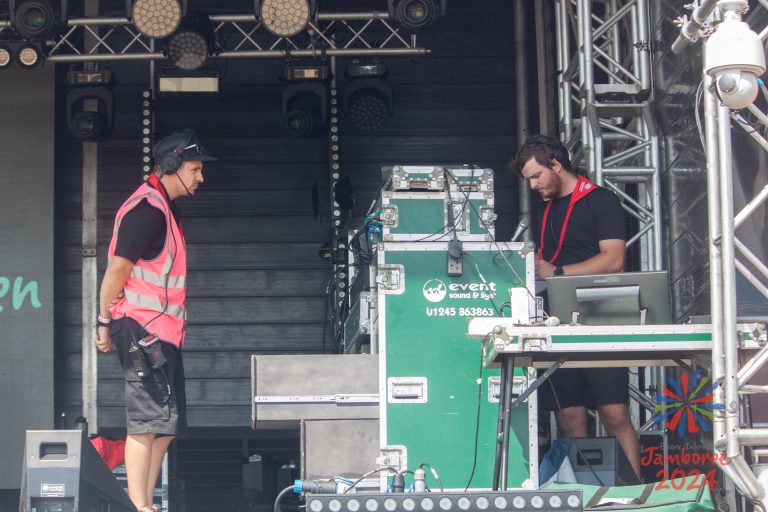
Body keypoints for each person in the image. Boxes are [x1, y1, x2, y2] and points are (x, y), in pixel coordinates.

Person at [94, 128, 216, 511]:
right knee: (146, 423)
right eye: (195, 169)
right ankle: (138, 505)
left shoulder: (165, 209)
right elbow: (117, 270)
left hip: (162, 334)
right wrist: (102, 320)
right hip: (140, 331)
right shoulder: (147, 211)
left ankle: (144, 503)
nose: (201, 178)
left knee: (165, 427)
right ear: (170, 166)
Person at [513, 134, 641, 479]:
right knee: (569, 420)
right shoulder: (547, 209)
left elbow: (613, 260)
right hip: (558, 321)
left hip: (602, 318)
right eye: (529, 180)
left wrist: (557, 271)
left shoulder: (601, 201)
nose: (534, 185)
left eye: (537, 176)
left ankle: (634, 494)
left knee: (614, 414)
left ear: (556, 165)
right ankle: (581, 495)